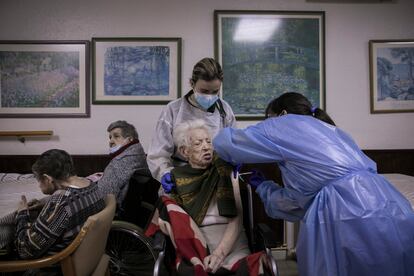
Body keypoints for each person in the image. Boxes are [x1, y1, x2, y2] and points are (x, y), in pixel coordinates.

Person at [213, 92, 414, 276]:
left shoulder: (284, 123)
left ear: (281, 113)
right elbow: (299, 201)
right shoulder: (332, 130)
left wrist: (227, 146)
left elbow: (227, 143)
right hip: (390, 206)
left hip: (348, 218)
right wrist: (265, 187)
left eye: (269, 118)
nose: (267, 123)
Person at [146, 120, 267, 275]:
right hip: (195, 238)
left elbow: (236, 219)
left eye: (208, 141)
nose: (206, 147)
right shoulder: (177, 178)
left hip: (231, 239)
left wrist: (219, 253)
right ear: (184, 152)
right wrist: (166, 193)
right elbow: (175, 221)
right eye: (198, 143)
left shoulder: (225, 170)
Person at [147, 57, 236, 194]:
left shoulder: (225, 111)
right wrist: (165, 173)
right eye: (204, 91)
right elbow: (158, 153)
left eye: (215, 92)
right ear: (192, 83)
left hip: (215, 178)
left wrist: (236, 158)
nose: (209, 96)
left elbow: (232, 144)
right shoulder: (173, 110)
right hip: (180, 177)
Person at [15, 149, 105, 271]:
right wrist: (44, 204)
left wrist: (22, 214)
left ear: (47, 179)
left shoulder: (60, 203)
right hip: (88, 258)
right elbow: (74, 200)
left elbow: (26, 250)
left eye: (38, 180)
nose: (39, 185)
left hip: (57, 267)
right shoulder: (92, 186)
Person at [92, 120, 150, 211]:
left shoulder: (121, 161)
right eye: (110, 137)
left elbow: (103, 195)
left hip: (108, 213)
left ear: (130, 140)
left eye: (116, 136)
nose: (111, 141)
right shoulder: (137, 156)